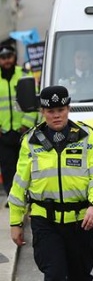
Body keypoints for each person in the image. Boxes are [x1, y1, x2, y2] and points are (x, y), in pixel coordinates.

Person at [9, 85, 93, 280]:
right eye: (51, 111)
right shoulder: (31, 141)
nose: (56, 115)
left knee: (79, 275)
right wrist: (15, 222)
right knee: (54, 274)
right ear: (42, 111)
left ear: (68, 109)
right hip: (45, 221)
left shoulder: (85, 137)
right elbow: (20, 183)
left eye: (61, 110)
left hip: (81, 222)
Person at [0, 44, 38, 195]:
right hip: (4, 132)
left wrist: (26, 124)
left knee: (26, 165)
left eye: (9, 57)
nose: (6, 61)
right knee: (7, 167)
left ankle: (26, 196)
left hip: (22, 131)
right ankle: (12, 197)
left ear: (14, 57)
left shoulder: (24, 74)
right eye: (3, 58)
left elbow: (33, 102)